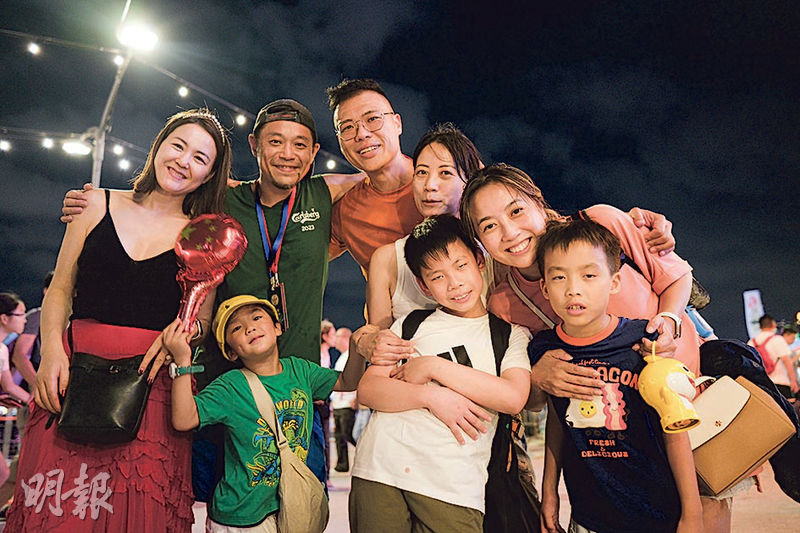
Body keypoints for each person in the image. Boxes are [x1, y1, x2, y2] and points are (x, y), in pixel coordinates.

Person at [6, 108, 231, 532]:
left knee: (138, 513)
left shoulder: (202, 236)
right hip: (72, 375)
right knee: (59, 510)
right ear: (158, 146)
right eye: (178, 146)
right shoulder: (95, 203)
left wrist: (182, 335)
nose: (183, 161)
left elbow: (202, 319)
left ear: (210, 175)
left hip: (151, 386)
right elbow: (60, 289)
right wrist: (51, 353)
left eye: (200, 158)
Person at [349, 215, 531, 533]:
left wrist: (433, 367)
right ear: (423, 286)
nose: (455, 283)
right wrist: (430, 396)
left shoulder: (508, 335)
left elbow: (513, 397)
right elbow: (369, 390)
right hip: (381, 467)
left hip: (453, 485)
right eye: (437, 276)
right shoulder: (411, 324)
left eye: (461, 266)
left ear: (479, 261)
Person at [460, 163, 699, 399]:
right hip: (617, 417)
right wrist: (537, 376)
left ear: (538, 202)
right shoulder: (504, 305)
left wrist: (669, 323)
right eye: (489, 226)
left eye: (516, 211)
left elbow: (675, 276)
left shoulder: (600, 223)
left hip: (696, 389)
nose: (510, 233)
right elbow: (528, 391)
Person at [529, 218, 702, 533]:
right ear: (544, 287)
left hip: (657, 512)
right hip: (588, 516)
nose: (573, 289)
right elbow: (558, 420)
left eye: (589, 275)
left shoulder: (644, 340)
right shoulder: (544, 349)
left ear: (614, 281)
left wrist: (693, 513)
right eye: (559, 277)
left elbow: (674, 428)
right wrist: (549, 492)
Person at [164, 295, 365, 531]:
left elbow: (348, 381)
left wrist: (356, 347)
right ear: (231, 352)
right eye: (236, 328)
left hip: (289, 508)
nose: (250, 328)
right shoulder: (231, 386)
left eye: (257, 317)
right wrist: (183, 361)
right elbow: (184, 419)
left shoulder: (301, 371)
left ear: (277, 327)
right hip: (241, 517)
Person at [326, 78, 422, 274]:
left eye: (372, 119)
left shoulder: (446, 184)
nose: (361, 134)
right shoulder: (346, 212)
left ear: (397, 123)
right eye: (347, 127)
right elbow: (297, 261)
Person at [0, 293, 34, 490]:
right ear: (4, 318)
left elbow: (9, 386)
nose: (25, 319)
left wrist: (35, 401)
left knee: (3, 472)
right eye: (21, 314)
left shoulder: (3, 351)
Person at [10, 271, 53, 390]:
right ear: (46, 291)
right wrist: (38, 386)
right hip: (41, 379)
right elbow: (20, 356)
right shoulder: (37, 316)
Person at [749, 314, 799, 400]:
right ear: (774, 324)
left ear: (760, 327)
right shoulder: (777, 339)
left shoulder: (751, 343)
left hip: (762, 385)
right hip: (780, 383)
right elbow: (786, 361)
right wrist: (793, 381)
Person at [330, 327, 356, 472]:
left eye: (338, 337)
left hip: (347, 402)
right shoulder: (341, 358)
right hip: (338, 403)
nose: (335, 340)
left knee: (349, 434)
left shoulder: (351, 357)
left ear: (346, 338)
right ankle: (342, 464)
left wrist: (356, 398)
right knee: (339, 436)